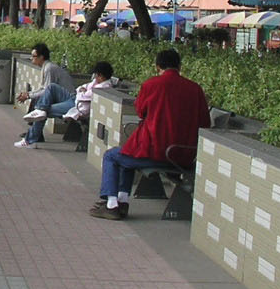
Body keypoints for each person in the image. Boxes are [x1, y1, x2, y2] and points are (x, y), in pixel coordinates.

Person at [90, 48, 209, 220]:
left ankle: (111, 204)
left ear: (157, 66)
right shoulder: (195, 89)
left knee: (112, 156)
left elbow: (140, 111)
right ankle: (121, 201)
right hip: (184, 155)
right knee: (125, 157)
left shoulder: (151, 85)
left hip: (153, 151)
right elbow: (205, 122)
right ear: (180, 66)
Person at [13, 43, 75, 148]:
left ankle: (31, 137)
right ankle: (34, 134)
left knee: (42, 109)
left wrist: (28, 95)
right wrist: (29, 94)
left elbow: (47, 90)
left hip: (67, 98)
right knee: (40, 107)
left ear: (41, 57)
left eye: (34, 56)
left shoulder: (49, 68)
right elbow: (43, 90)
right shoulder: (46, 67)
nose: (32, 58)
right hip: (62, 97)